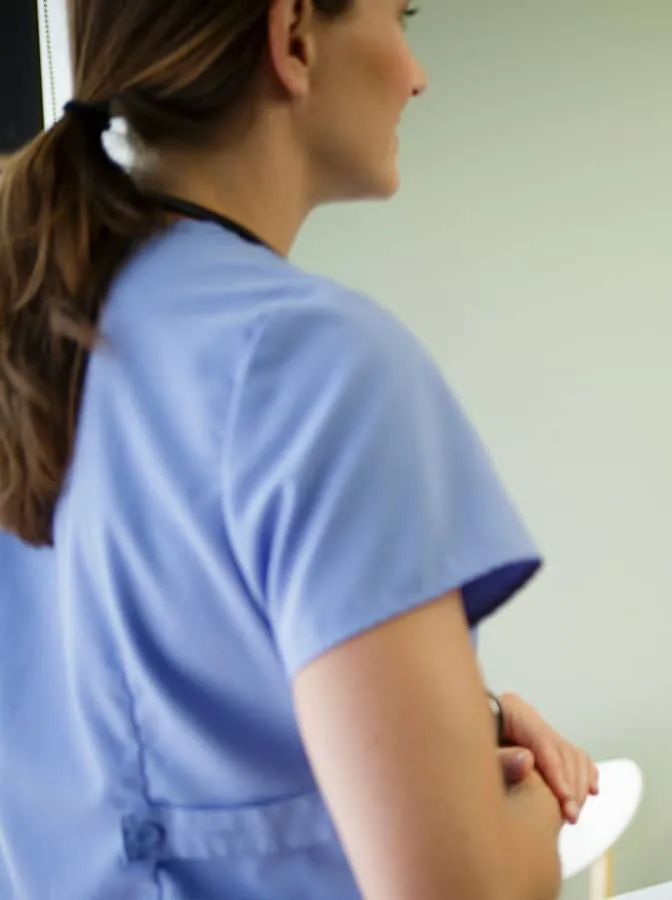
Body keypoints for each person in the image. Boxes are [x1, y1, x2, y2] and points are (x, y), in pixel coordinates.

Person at [0, 2, 596, 898]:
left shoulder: (33, 345)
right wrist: (543, 803)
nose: (416, 73)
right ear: (294, 37)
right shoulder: (316, 365)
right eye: (400, 18)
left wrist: (457, 736)